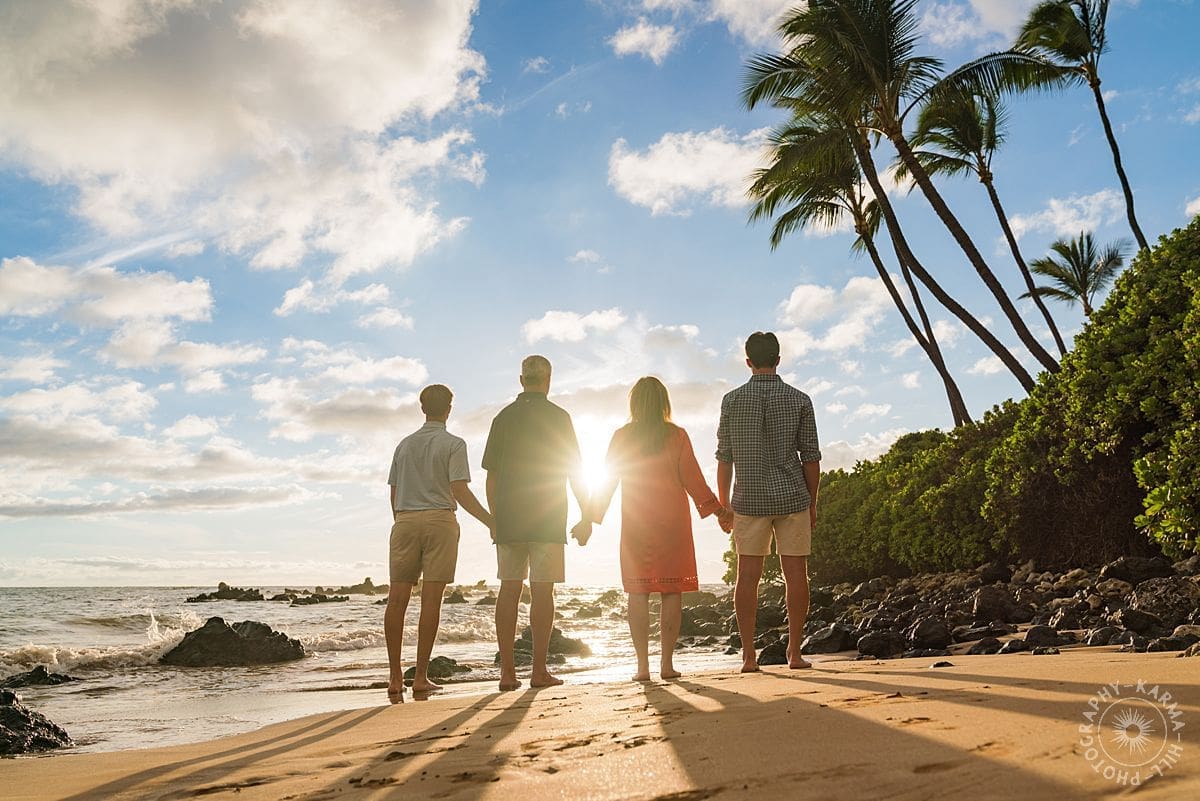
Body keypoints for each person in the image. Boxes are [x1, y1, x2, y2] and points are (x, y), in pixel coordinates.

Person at [587, 377, 733, 682]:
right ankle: (666, 664)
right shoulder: (677, 436)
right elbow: (693, 479)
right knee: (671, 591)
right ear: (664, 403)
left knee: (637, 592)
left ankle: (642, 667)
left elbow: (607, 481)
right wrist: (718, 510)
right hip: (672, 524)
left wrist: (590, 517)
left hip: (637, 523)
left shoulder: (622, 437)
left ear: (634, 404)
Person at [716, 332, 821, 673]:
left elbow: (725, 458)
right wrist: (813, 503)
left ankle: (749, 656)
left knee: (747, 576)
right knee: (796, 575)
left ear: (748, 361)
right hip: (792, 497)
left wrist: (724, 504)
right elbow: (811, 458)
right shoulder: (799, 399)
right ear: (778, 359)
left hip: (748, 499)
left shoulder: (731, 400)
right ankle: (794, 653)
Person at [483, 355, 590, 691]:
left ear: (520, 380)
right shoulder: (559, 417)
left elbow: (492, 476)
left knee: (509, 589)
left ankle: (507, 673)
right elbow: (574, 471)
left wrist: (494, 518)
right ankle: (539, 671)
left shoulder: (503, 418)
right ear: (549, 380)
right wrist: (586, 515)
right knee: (543, 592)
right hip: (547, 516)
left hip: (510, 517)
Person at [385, 384, 493, 703]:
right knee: (431, 600)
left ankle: (393, 678)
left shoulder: (403, 446)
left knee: (396, 599)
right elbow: (459, 490)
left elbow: (393, 491)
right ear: (449, 409)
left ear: (422, 408)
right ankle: (419, 677)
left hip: (404, 519)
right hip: (439, 520)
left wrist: (402, 519)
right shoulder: (453, 444)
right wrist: (490, 521)